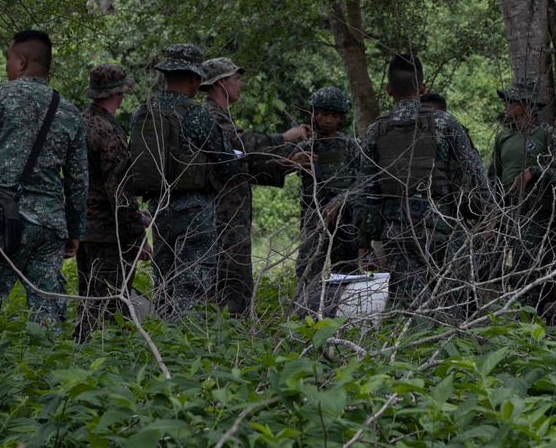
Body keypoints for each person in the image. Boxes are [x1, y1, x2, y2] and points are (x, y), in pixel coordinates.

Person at [0, 30, 88, 332]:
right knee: (48, 312)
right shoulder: (69, 111)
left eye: (9, 60)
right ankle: (46, 375)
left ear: (22, 61)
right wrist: (74, 230)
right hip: (49, 227)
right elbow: (78, 181)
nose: (7, 68)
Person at [356, 53, 488, 313]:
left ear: (388, 89)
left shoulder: (375, 130)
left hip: (396, 233)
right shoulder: (446, 123)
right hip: (442, 229)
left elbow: (365, 191)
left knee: (412, 311)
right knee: (451, 304)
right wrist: (486, 218)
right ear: (423, 87)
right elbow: (474, 175)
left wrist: (363, 243)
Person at [129, 44, 238, 318]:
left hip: (159, 208)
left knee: (164, 281)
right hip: (195, 210)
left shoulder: (142, 112)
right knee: (192, 282)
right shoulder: (195, 114)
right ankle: (186, 341)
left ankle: (164, 339)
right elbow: (226, 162)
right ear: (193, 78)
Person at [200, 57, 308, 317]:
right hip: (221, 219)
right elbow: (242, 145)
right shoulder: (210, 116)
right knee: (229, 290)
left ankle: (232, 341)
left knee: (238, 287)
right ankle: (227, 344)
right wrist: (284, 139)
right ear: (220, 83)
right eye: (236, 78)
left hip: (233, 218)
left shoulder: (221, 116)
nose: (241, 84)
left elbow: (241, 163)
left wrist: (286, 164)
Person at [74, 63, 149, 342]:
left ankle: (78, 354)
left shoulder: (80, 123)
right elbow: (119, 192)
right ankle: (108, 363)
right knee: (111, 307)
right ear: (120, 93)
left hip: (84, 229)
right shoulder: (110, 132)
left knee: (88, 299)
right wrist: (139, 235)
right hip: (108, 235)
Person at [488, 77, 556, 311]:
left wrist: (534, 171)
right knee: (488, 264)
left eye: (510, 100)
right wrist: (491, 212)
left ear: (525, 104)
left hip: (534, 213)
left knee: (525, 270)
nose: (505, 105)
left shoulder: (546, 135)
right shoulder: (503, 136)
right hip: (505, 212)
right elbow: (492, 178)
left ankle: (528, 320)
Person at [288, 87, 363, 315]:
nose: (329, 120)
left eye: (335, 115)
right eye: (324, 114)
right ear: (314, 114)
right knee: (308, 270)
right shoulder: (305, 147)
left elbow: (363, 181)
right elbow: (279, 165)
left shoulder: (350, 146)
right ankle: (305, 317)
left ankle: (347, 317)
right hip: (314, 215)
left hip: (345, 217)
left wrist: (339, 201)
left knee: (347, 272)